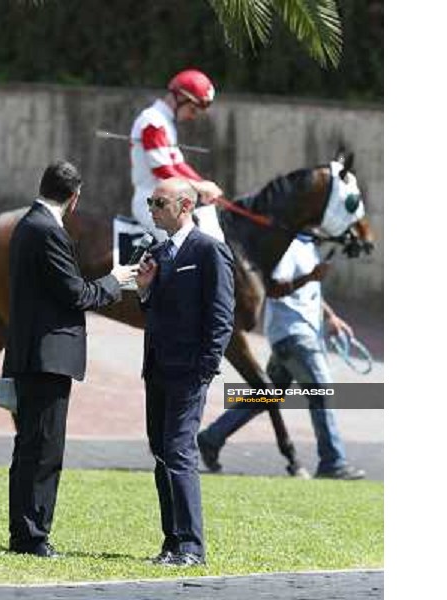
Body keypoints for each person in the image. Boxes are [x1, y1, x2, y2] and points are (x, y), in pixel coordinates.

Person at [2, 161, 139, 557]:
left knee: (29, 447)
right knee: (43, 450)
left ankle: (23, 532)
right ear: (74, 197)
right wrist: (117, 281)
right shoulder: (48, 231)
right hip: (48, 357)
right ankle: (31, 537)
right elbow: (77, 294)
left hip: (34, 353)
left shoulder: (28, 224)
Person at [197, 233, 366, 480]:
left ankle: (211, 438)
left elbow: (309, 288)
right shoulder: (287, 246)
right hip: (293, 335)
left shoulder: (308, 245)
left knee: (267, 395)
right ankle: (333, 461)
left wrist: (330, 316)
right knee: (321, 391)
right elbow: (274, 288)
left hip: (296, 334)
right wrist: (311, 276)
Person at [135, 177, 235, 566]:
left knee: (179, 451)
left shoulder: (210, 251)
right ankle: (172, 542)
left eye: (159, 203)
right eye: (151, 202)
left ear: (185, 206)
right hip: (157, 368)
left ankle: (192, 546)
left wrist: (206, 368)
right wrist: (145, 290)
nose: (153, 209)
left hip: (189, 372)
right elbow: (156, 311)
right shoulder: (158, 251)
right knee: (161, 452)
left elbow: (222, 316)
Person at [130, 68, 224, 242]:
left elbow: (178, 166)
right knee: (186, 246)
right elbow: (162, 170)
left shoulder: (165, 123)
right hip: (152, 201)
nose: (192, 116)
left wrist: (204, 184)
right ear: (180, 97)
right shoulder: (153, 121)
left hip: (169, 201)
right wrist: (200, 187)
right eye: (193, 110)